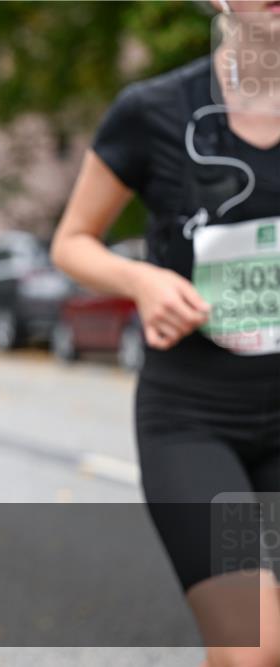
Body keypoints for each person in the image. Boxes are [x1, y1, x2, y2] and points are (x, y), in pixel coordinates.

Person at [51, 3, 279, 665]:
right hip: (198, 421)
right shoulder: (153, 111)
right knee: (254, 642)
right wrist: (143, 281)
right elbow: (71, 242)